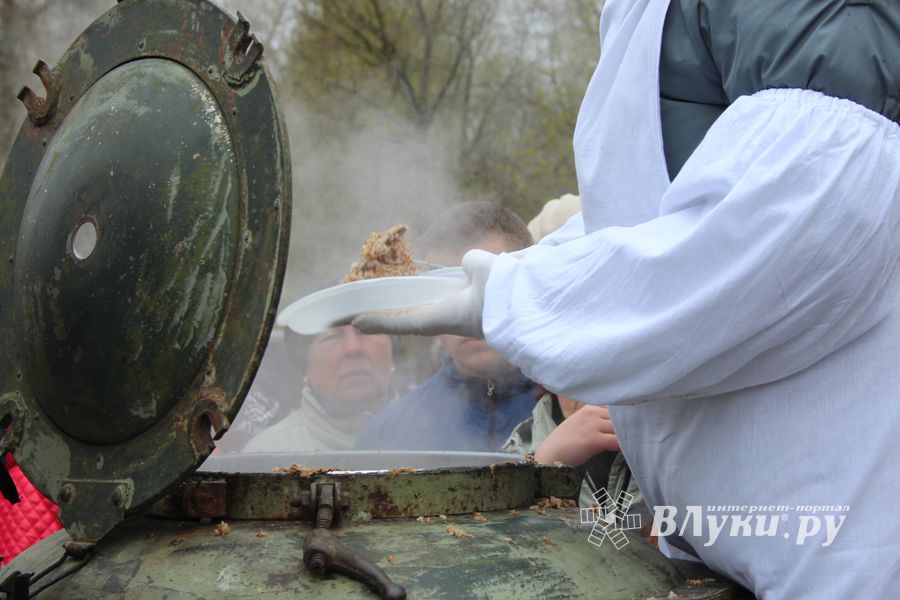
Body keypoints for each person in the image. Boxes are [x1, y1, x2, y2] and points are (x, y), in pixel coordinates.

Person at [354, 1, 900, 597]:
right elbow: (645, 218)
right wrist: (502, 276)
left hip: (837, 548)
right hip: (729, 550)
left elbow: (808, 211)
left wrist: (516, 298)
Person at [354, 202, 538, 452]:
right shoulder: (387, 434)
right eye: (447, 290)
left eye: (488, 285)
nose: (467, 310)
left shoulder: (583, 409)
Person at [243, 324, 396, 452]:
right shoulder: (268, 453)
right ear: (305, 366)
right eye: (332, 337)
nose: (353, 348)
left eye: (367, 331)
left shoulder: (420, 436)